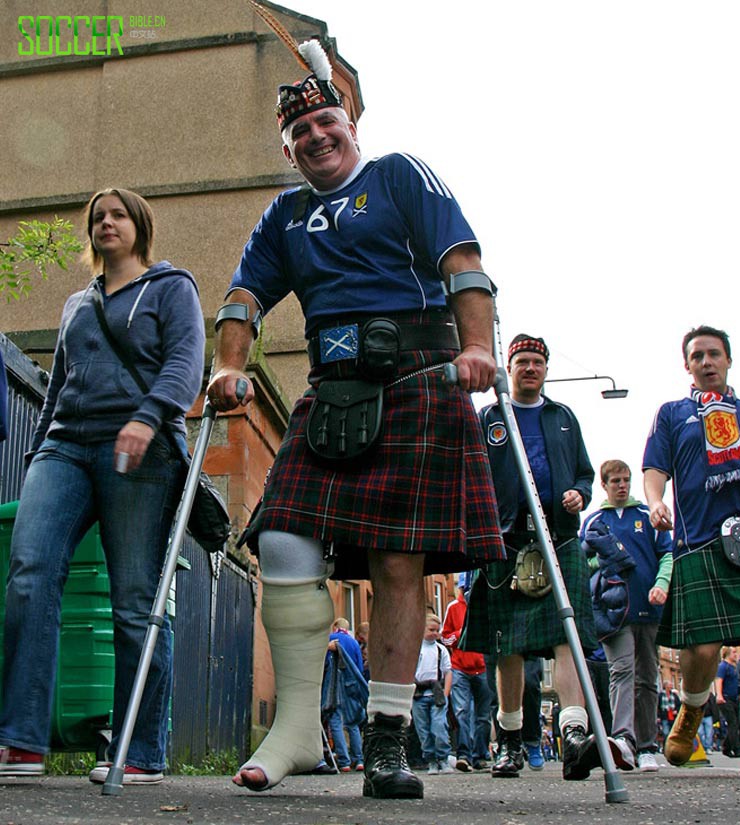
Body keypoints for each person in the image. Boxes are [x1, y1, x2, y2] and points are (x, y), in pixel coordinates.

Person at [206, 43, 504, 799]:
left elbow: (461, 259)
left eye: (326, 122)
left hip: (416, 373)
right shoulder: (286, 213)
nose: (315, 138)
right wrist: (228, 363)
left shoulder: (399, 174)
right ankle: (299, 728)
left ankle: (387, 738)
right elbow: (243, 295)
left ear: (349, 125)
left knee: (397, 559)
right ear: (289, 149)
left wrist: (478, 346)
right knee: (279, 531)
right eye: (299, 135)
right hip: (332, 385)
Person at [0, 189, 204, 783]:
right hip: (65, 446)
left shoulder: (172, 288)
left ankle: (139, 751)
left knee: (134, 602)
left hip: (140, 447)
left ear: (139, 226)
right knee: (29, 574)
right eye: (97, 218)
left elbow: (186, 362)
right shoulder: (74, 304)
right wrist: (40, 452)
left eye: (117, 215)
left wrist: (147, 416)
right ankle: (20, 741)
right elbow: (57, 386)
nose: (105, 224)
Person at [464, 334, 624, 780]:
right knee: (508, 645)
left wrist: (579, 493)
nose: (530, 368)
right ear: (508, 369)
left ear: (546, 369)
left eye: (537, 362)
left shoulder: (563, 418)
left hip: (560, 538)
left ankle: (574, 736)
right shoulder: (490, 417)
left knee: (566, 633)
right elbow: (472, 475)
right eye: (522, 362)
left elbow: (584, 474)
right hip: (506, 539)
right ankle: (510, 742)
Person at [645, 325, 740, 779]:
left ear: (728, 360)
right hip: (697, 540)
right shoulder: (672, 414)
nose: (706, 362)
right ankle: (691, 711)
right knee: (704, 647)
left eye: (714, 354)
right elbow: (655, 468)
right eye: (697, 356)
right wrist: (655, 502)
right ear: (687, 365)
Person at [580, 459, 674, 772]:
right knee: (621, 671)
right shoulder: (593, 521)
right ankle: (623, 739)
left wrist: (662, 584)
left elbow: (667, 554)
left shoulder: (647, 516)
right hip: (612, 611)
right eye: (615, 481)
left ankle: (647, 744)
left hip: (648, 609)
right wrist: (604, 564)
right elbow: (584, 564)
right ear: (604, 485)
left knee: (647, 677)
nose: (622, 486)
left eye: (626, 480)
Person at [440, 579, 492, 771]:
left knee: (483, 715)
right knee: (462, 712)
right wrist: (459, 634)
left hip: (484, 667)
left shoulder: (486, 605)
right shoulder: (453, 607)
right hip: (460, 667)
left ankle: (480, 755)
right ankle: (464, 754)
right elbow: (444, 637)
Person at [324, 618, 368, 772]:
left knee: (335, 720)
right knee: (353, 722)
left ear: (335, 626)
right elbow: (360, 668)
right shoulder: (354, 643)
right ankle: (359, 759)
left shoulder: (330, 639)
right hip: (351, 685)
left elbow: (324, 663)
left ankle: (344, 761)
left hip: (334, 685)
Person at [413, 614, 452, 774]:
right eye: (431, 630)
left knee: (439, 726)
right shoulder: (414, 649)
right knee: (423, 729)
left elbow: (448, 672)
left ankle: (443, 758)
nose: (435, 633)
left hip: (436, 694)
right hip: (418, 695)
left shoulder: (440, 649)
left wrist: (446, 693)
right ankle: (430, 760)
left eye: (437, 630)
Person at [716, 647, 740, 758]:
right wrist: (719, 695)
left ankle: (727, 747)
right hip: (725, 698)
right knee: (733, 723)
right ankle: (737, 748)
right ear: (727, 654)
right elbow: (719, 681)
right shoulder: (723, 666)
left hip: (734, 698)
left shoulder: (733, 667)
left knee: (737, 723)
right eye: (734, 652)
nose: (736, 654)